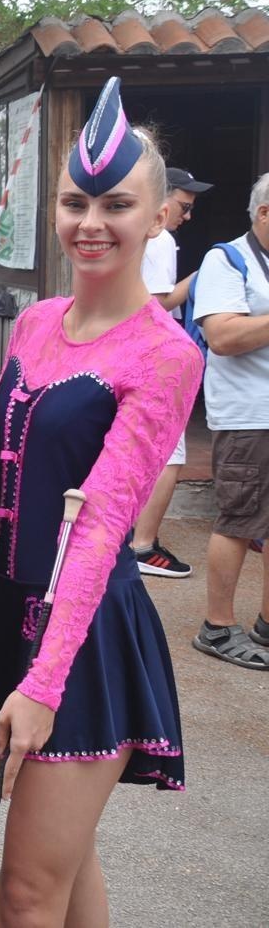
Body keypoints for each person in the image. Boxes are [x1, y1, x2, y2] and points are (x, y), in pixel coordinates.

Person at [0, 77, 197, 926]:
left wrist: (45, 682)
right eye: (75, 200)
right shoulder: (34, 321)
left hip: (82, 631)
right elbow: (2, 430)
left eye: (118, 203)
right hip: (11, 605)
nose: (91, 221)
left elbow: (101, 525)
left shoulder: (166, 353)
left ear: (161, 214)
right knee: (63, 856)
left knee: (23, 893)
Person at [190, 170, 269, 668]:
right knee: (239, 521)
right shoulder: (226, 259)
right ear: (264, 213)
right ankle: (217, 627)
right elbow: (222, 336)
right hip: (247, 415)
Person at [130, 166, 213, 577]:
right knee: (171, 454)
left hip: (131, 349)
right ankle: (143, 545)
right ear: (161, 202)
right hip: (154, 351)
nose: (187, 214)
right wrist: (201, 277)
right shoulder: (160, 238)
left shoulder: (140, 234)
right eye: (184, 204)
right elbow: (158, 303)